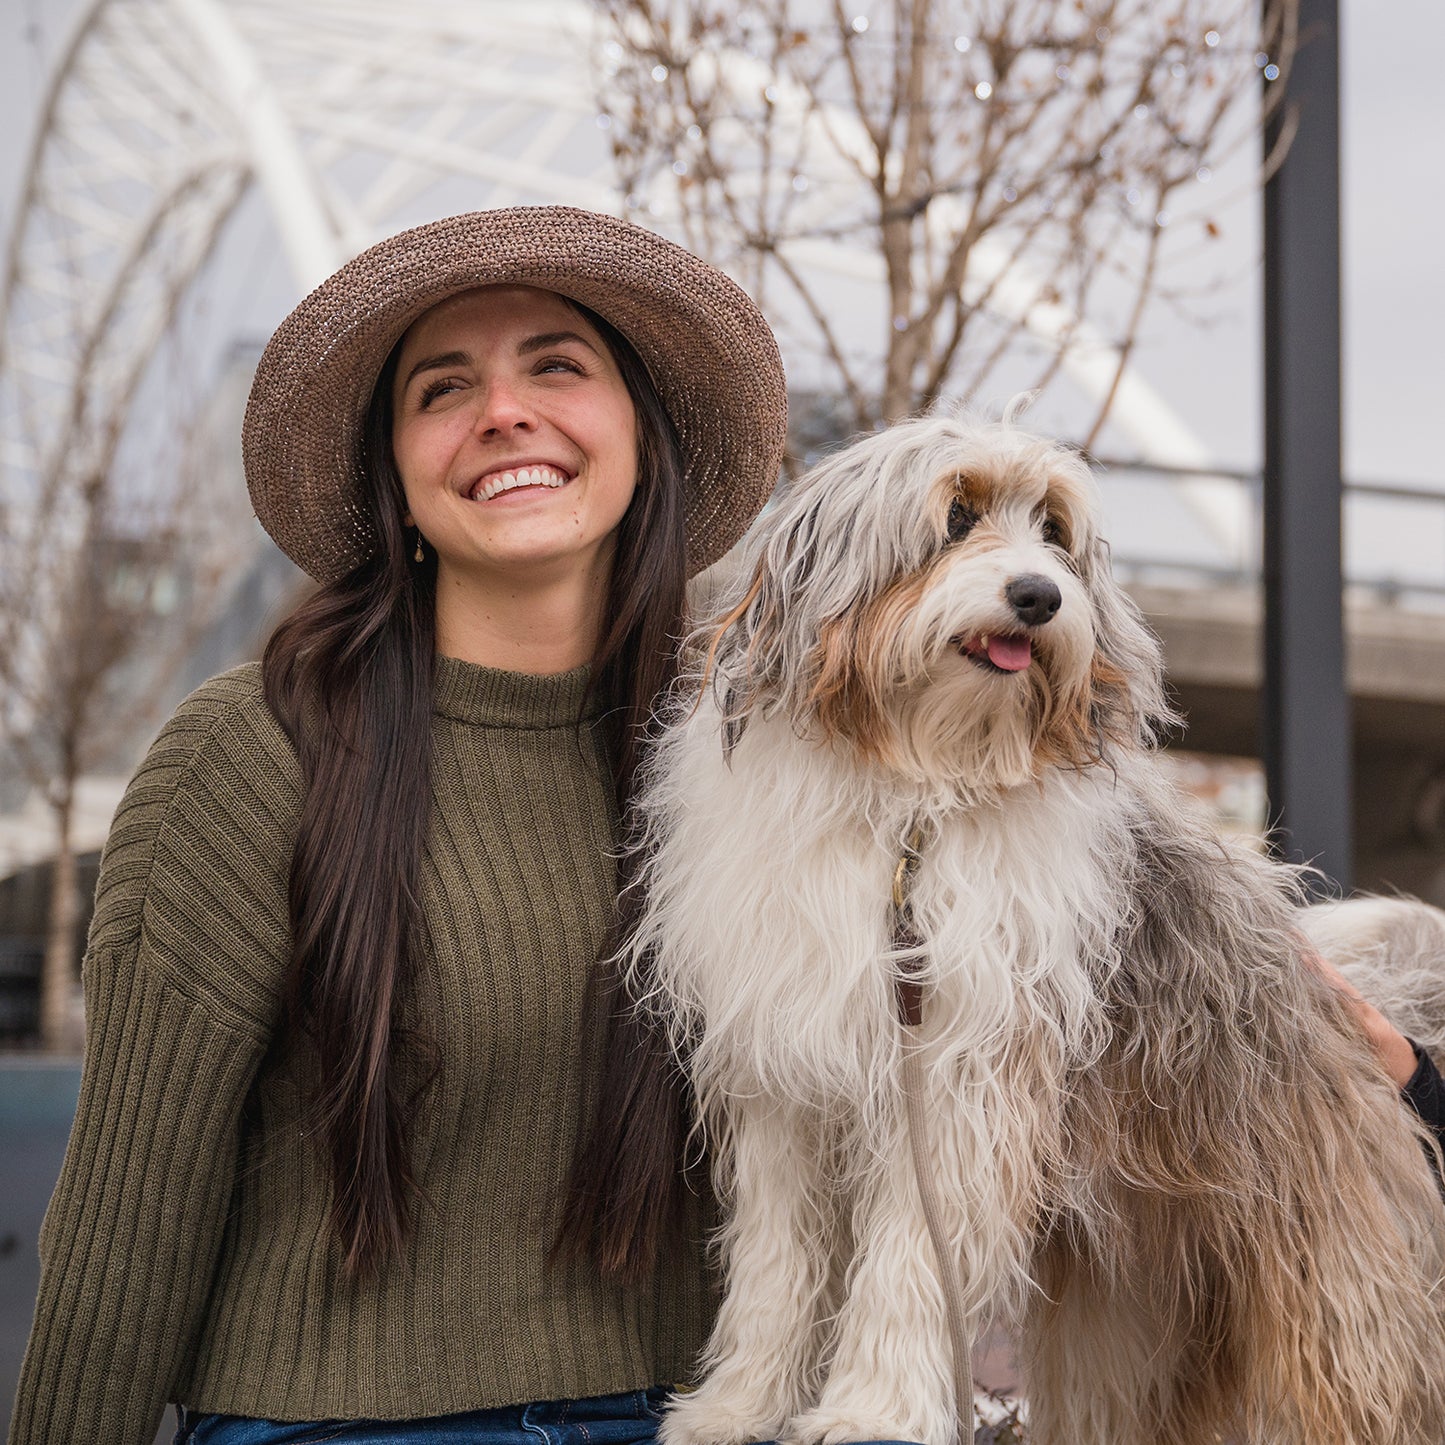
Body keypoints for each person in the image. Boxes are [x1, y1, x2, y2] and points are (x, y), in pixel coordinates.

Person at [8, 206, 787, 1445]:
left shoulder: (750, 761)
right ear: (398, 482)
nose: (503, 411)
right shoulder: (255, 752)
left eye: (555, 365)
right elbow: (128, 1217)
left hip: (697, 1413)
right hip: (337, 1425)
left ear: (641, 433)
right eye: (443, 387)